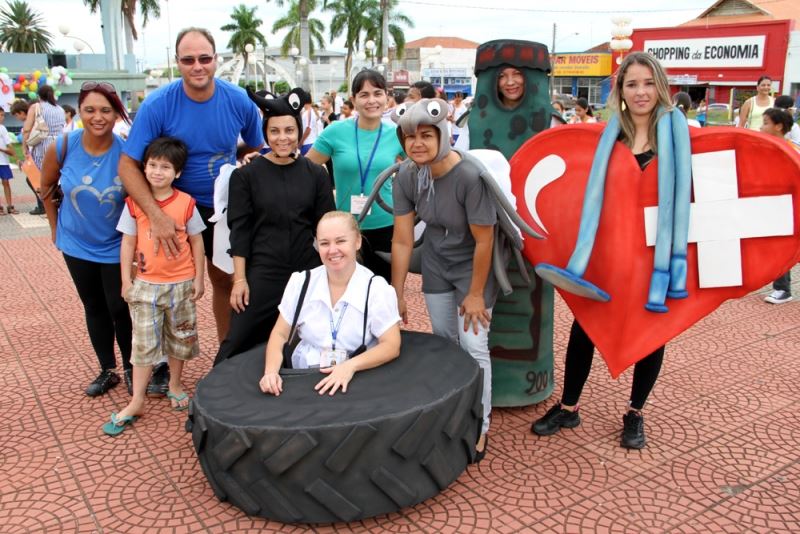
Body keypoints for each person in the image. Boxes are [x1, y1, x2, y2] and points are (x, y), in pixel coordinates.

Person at [532, 52, 677, 449]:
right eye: (632, 84)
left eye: (648, 83)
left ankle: (635, 413)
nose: (641, 91)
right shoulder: (605, 139)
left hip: (655, 256)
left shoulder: (681, 138)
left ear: (660, 86)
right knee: (586, 327)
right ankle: (569, 407)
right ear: (621, 91)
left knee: (652, 331)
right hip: (607, 251)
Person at [119, 27, 264, 390]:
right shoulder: (158, 104)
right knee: (165, 287)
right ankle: (162, 366)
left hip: (223, 210)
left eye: (204, 58)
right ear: (177, 63)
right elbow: (127, 165)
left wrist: (245, 162)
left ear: (216, 59)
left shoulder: (237, 100)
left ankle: (230, 358)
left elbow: (259, 147)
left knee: (227, 281)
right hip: (173, 212)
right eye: (188, 60)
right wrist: (157, 215)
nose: (197, 66)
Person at [391, 98, 496, 461]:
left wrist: (477, 293)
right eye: (409, 137)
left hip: (473, 266)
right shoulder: (406, 175)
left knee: (474, 345)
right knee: (444, 341)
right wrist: (398, 293)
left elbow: (485, 239)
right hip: (436, 263)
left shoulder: (468, 175)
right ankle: (453, 415)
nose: (417, 143)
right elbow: (403, 239)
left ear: (442, 135)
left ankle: (480, 423)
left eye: (426, 135)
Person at [215, 88, 335, 364]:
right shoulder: (245, 176)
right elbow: (240, 231)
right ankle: (214, 400)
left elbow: (326, 226)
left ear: (300, 132)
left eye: (289, 131)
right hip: (263, 270)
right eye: (275, 131)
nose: (283, 138)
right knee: (239, 337)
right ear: (265, 134)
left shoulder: (315, 173)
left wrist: (332, 275)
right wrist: (240, 279)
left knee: (315, 337)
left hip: (306, 268)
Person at [102, 137, 206, 436]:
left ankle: (174, 384)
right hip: (146, 284)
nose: (157, 172)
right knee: (143, 344)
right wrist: (126, 279)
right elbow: (128, 242)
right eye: (152, 165)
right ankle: (136, 400)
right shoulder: (135, 204)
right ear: (143, 167)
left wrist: (199, 277)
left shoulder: (186, 203)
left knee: (180, 338)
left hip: (181, 284)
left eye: (165, 167)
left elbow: (197, 241)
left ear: (178, 173)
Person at [39, 81, 133, 397]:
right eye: (89, 110)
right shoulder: (63, 147)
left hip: (115, 245)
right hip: (75, 243)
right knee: (93, 306)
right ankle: (108, 369)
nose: (98, 117)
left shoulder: (126, 152)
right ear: (79, 111)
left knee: (119, 307)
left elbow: (137, 201)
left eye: (106, 110)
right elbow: (46, 188)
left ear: (116, 114)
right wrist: (55, 229)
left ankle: (134, 368)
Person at [260, 211, 401, 397]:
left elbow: (391, 345)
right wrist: (271, 372)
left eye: (340, 241)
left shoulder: (376, 289)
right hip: (305, 377)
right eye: (324, 243)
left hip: (358, 379)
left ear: (357, 242)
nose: (332, 250)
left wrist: (350, 366)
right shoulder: (301, 282)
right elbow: (280, 334)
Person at [307, 70, 404, 282]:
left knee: (382, 293)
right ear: (354, 99)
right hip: (344, 228)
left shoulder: (397, 133)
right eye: (364, 95)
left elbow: (421, 166)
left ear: (386, 97)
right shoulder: (335, 132)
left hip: (386, 225)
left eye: (377, 93)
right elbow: (305, 169)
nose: (372, 100)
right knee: (344, 290)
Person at [761, 107, 798, 305]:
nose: (761, 126)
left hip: (786, 206)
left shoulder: (789, 149)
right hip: (775, 204)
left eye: (765, 123)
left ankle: (783, 288)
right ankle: (781, 286)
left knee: (783, 246)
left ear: (779, 126)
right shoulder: (770, 147)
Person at [23, 85, 65, 215]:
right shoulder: (60, 109)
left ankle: (46, 206)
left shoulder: (36, 107)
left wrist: (25, 146)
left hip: (43, 144)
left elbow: (27, 129)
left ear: (39, 96)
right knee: (59, 174)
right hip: (60, 143)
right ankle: (60, 202)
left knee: (43, 176)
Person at [0, 108, 18, 214]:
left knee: (6, 182)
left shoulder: (3, 128)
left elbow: (9, 144)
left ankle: (10, 205)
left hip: (3, 161)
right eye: (0, 115)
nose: (2, 118)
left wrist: (15, 156)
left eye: (3, 115)